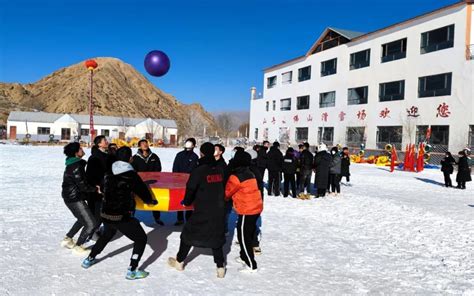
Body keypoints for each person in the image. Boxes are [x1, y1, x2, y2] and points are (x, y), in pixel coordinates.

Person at [81, 147, 158, 280]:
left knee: (106, 235)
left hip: (106, 213)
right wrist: (151, 201)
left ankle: (89, 259)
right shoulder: (131, 174)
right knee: (141, 239)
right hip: (122, 216)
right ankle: (132, 270)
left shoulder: (108, 172)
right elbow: (143, 192)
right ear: (130, 159)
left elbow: (103, 188)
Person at [168, 142, 227, 278]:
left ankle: (179, 261)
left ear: (201, 153)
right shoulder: (219, 169)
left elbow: (191, 188)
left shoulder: (199, 170)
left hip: (202, 209)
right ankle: (220, 267)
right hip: (218, 209)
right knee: (216, 236)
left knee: (187, 235)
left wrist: (186, 202)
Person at [225, 150, 263, 273]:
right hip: (255, 207)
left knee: (243, 236)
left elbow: (227, 193)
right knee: (247, 233)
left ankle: (251, 264)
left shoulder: (235, 176)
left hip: (247, 209)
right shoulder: (250, 173)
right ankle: (244, 256)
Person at [61, 142, 100, 254]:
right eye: (80, 149)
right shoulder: (76, 166)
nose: (83, 150)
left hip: (69, 197)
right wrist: (95, 189)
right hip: (75, 198)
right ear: (76, 153)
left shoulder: (72, 164)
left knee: (82, 219)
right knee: (91, 223)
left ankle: (68, 239)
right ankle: (79, 246)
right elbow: (82, 185)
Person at [131, 139, 163, 225]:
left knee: (154, 198)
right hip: (139, 183)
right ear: (139, 146)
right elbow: (133, 171)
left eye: (146, 143)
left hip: (153, 183)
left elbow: (158, 169)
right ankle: (131, 218)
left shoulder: (154, 157)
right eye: (142, 144)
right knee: (134, 200)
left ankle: (157, 218)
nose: (145, 145)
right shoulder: (135, 158)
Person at [172, 138, 199, 225]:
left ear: (194, 146)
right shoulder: (179, 155)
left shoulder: (195, 157)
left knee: (189, 199)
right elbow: (175, 167)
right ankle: (179, 219)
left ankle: (189, 218)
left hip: (190, 183)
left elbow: (193, 170)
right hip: (178, 182)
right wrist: (176, 178)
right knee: (179, 200)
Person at [86, 135, 109, 234]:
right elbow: (90, 175)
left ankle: (94, 230)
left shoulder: (105, 155)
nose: (107, 141)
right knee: (96, 213)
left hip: (104, 188)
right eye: (104, 140)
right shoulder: (95, 157)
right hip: (96, 190)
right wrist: (97, 186)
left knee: (100, 212)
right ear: (99, 144)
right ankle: (91, 233)